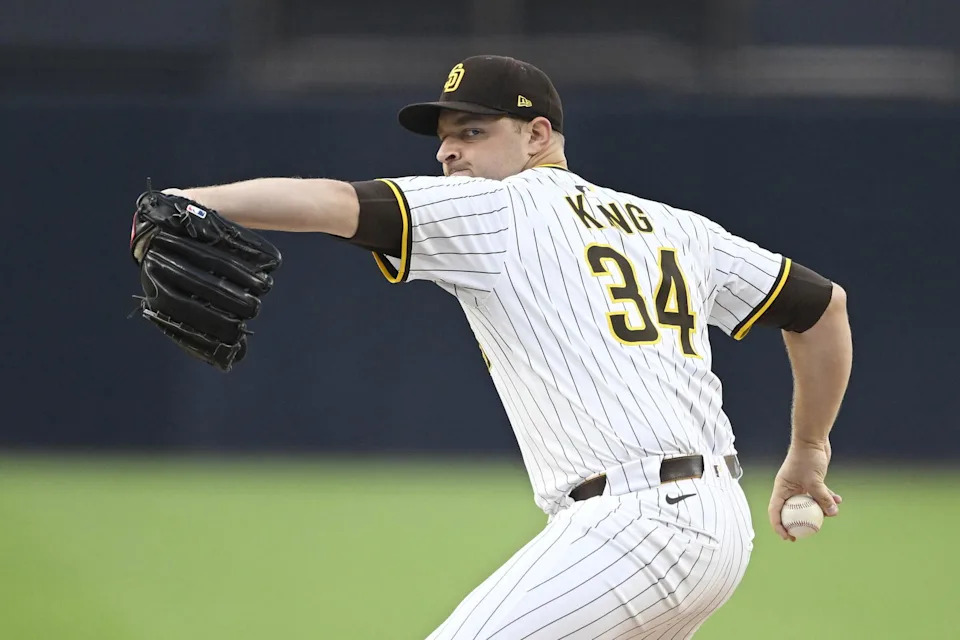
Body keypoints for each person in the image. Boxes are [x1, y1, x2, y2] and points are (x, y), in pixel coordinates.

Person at [161, 55, 852, 639]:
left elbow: (334, 202)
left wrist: (187, 199)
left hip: (641, 523)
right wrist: (808, 452)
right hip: (712, 523)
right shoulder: (677, 227)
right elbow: (821, 309)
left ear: (537, 135)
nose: (446, 152)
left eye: (472, 129)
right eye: (442, 136)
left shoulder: (497, 208)